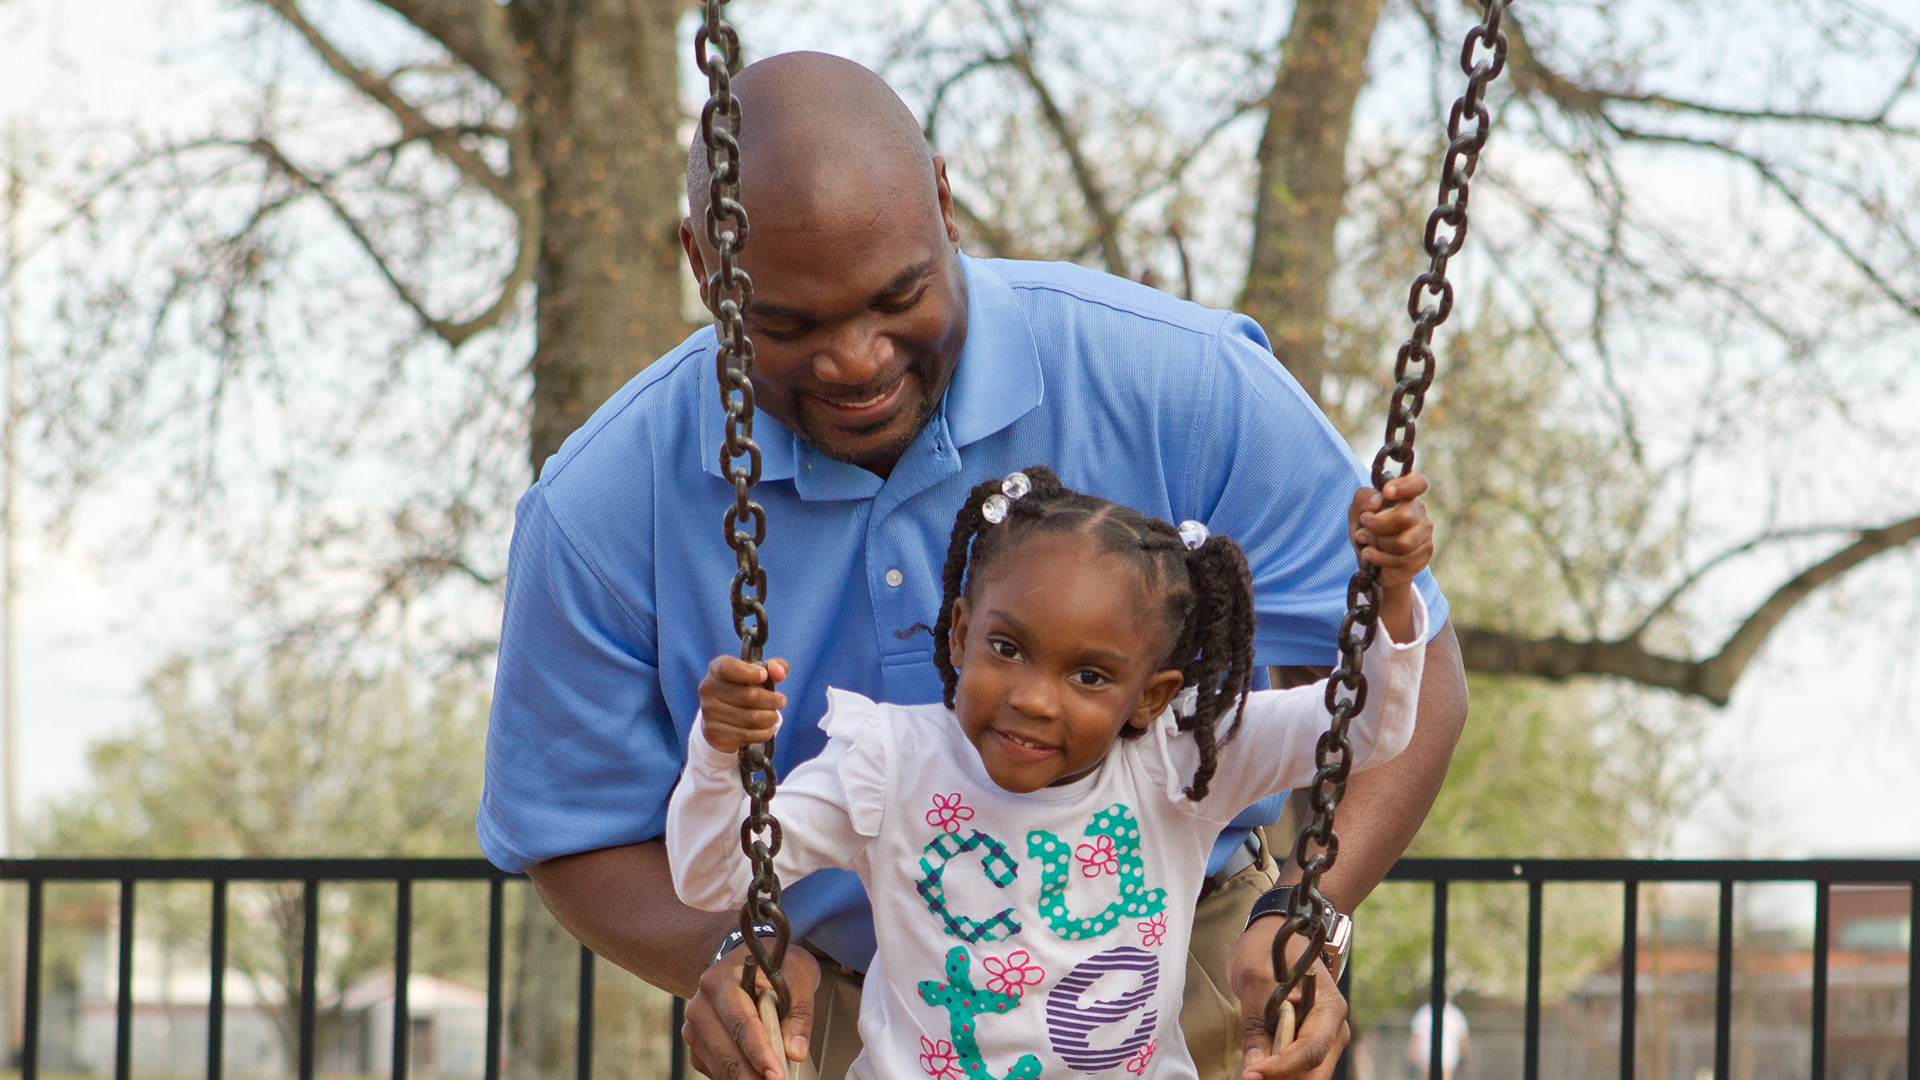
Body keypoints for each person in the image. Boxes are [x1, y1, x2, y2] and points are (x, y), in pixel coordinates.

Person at [478, 50, 1469, 1080]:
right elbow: (576, 827)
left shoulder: (1180, 384)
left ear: (945, 203)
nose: (856, 361)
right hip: (833, 1016)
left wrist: (1309, 906)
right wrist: (722, 947)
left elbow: (1404, 685)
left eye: (896, 295)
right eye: (786, 324)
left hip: (1177, 985)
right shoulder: (598, 508)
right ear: (703, 262)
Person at [667, 467, 1435, 1080]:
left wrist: (1389, 598)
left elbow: (1367, 726)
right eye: (1007, 649)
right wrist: (722, 748)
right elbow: (710, 876)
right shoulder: (890, 762)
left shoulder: (1180, 759)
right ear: (962, 633)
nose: (1034, 700)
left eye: (1092, 677)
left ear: (1152, 696)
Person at [1407, 1000, 1470, 1080]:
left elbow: (1462, 1036)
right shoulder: (1424, 1012)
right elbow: (1416, 1034)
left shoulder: (1454, 1013)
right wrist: (1413, 1051)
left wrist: (1463, 1051)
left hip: (1448, 1053)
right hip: (1427, 1052)